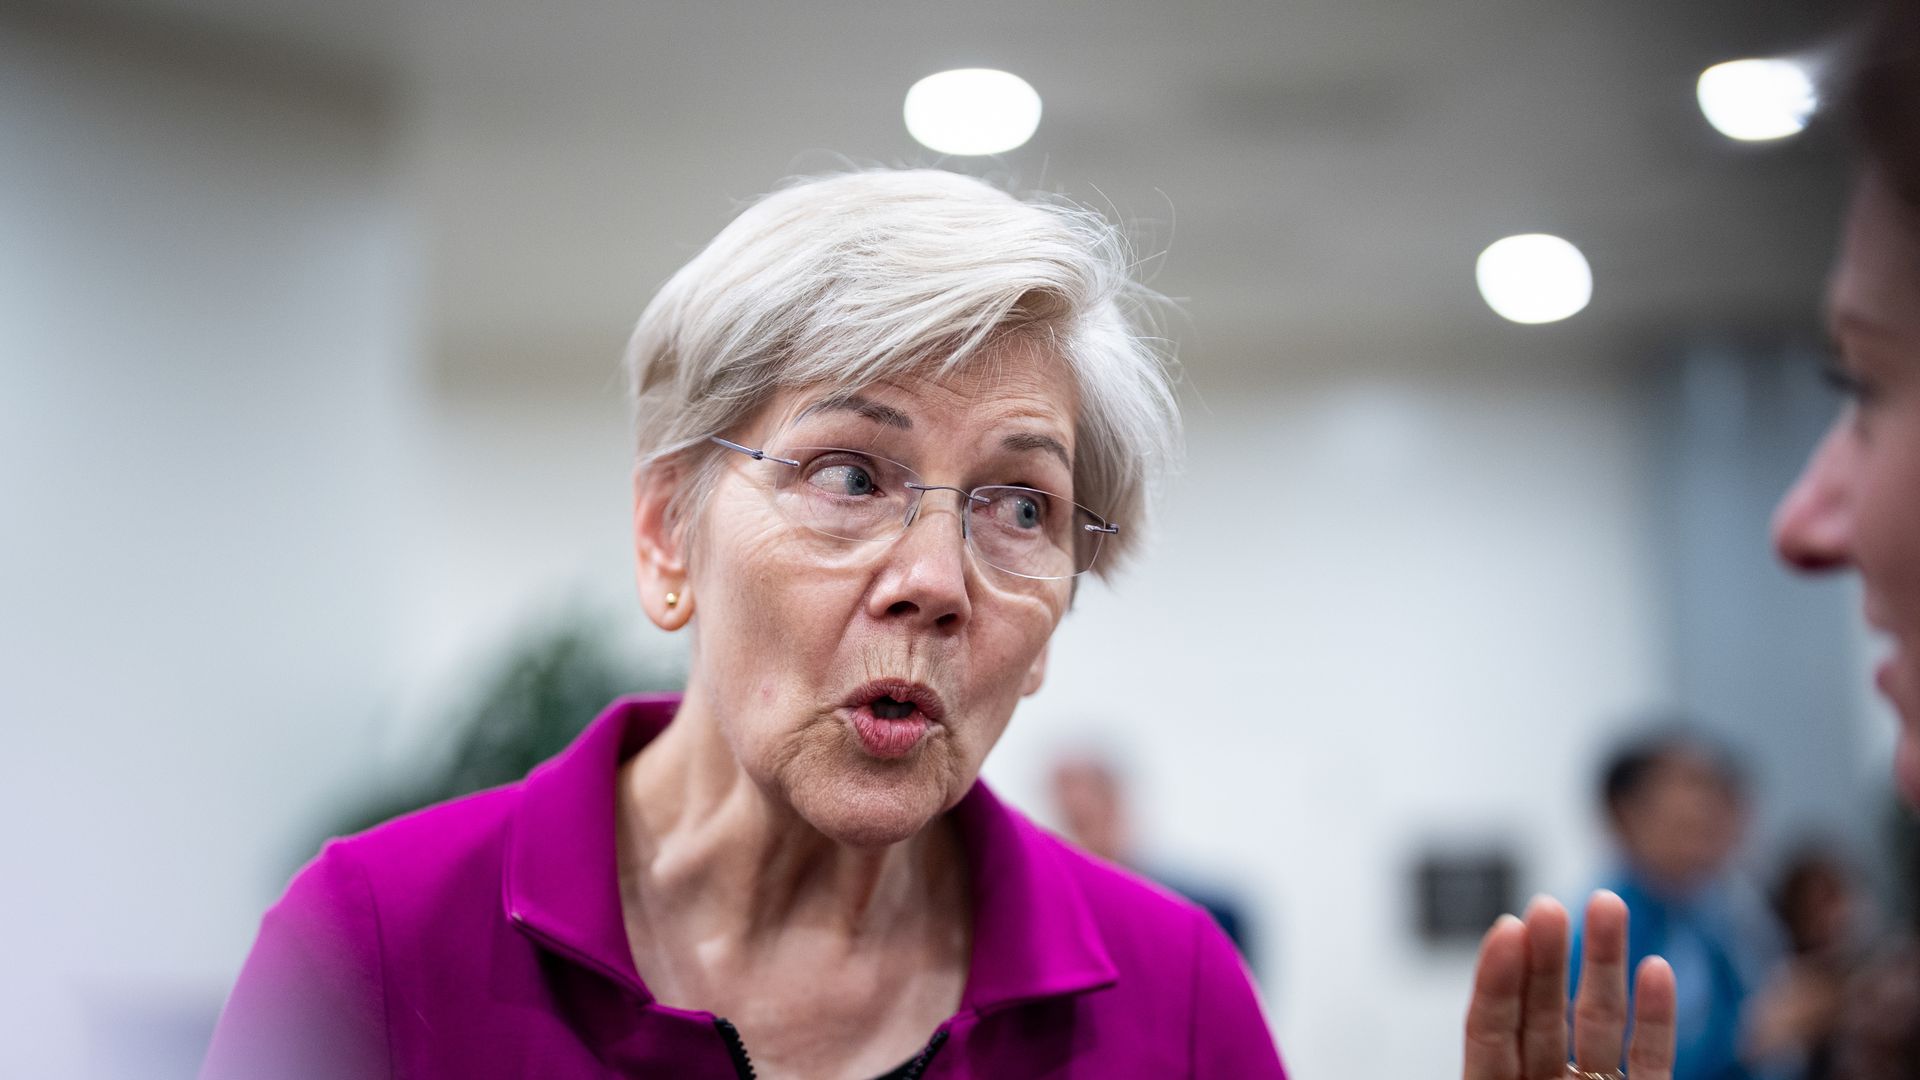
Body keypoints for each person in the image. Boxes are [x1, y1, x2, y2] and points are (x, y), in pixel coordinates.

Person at [202, 168, 1289, 1078]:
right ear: (669, 537)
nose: (937, 581)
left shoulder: (1175, 999)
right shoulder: (377, 943)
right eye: (851, 473)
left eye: (1020, 508)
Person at [1571, 732, 1781, 1080]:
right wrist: (1754, 1034)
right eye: (1690, 783)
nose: (1706, 803)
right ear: (1627, 811)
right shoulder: (1605, 927)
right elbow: (1601, 1062)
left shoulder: (1709, 912)